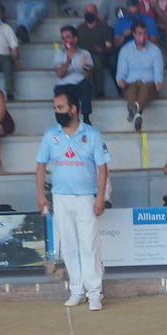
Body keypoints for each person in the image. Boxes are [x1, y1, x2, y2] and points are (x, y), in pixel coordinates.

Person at [35, 87, 109, 310]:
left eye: (61, 107)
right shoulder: (51, 135)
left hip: (86, 197)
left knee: (89, 245)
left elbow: (103, 168)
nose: (57, 112)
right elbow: (40, 167)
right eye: (55, 108)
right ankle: (76, 290)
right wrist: (41, 196)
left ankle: (94, 293)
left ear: (74, 109)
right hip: (60, 197)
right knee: (69, 245)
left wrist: (100, 197)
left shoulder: (92, 134)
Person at [116, 23, 163, 132]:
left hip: (150, 84)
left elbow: (158, 72)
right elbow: (120, 73)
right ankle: (137, 116)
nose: (143, 36)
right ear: (134, 34)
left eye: (145, 33)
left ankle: (135, 109)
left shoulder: (155, 50)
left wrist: (159, 82)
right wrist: (120, 80)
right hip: (131, 83)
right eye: (140, 34)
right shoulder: (125, 50)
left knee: (146, 88)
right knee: (131, 91)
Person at [54, 25, 95, 124]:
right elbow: (59, 74)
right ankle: (64, 119)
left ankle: (86, 117)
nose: (65, 40)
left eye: (68, 37)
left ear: (75, 38)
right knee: (59, 91)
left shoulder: (85, 53)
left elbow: (90, 75)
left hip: (79, 83)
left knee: (86, 85)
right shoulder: (59, 54)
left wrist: (85, 66)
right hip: (63, 85)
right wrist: (68, 62)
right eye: (63, 38)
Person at [77, 3, 116, 98]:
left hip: (98, 56)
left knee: (95, 62)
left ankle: (99, 92)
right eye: (87, 12)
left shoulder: (104, 28)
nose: (89, 14)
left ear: (96, 13)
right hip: (82, 56)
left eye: (91, 12)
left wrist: (102, 49)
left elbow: (110, 48)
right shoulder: (79, 28)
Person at [138, 0, 167, 67]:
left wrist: (156, 7)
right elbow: (143, 20)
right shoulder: (143, 1)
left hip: (162, 26)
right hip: (148, 27)